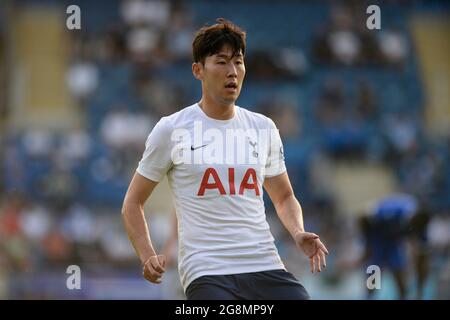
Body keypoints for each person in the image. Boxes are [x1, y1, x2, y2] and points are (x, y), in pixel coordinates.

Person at [122, 18, 329, 300]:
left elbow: (283, 197)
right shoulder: (172, 129)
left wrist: (297, 232)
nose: (232, 72)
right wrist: (147, 255)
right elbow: (132, 203)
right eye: (221, 62)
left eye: (238, 62)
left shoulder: (263, 127)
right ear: (198, 70)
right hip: (207, 272)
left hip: (264, 264)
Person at [358, 193, 430, 299]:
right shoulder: (393, 211)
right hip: (378, 238)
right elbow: (363, 217)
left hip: (394, 242)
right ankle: (369, 297)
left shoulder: (421, 229)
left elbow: (422, 260)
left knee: (400, 277)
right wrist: (368, 245)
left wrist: (420, 291)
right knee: (374, 273)